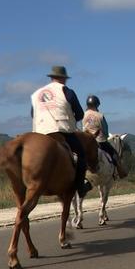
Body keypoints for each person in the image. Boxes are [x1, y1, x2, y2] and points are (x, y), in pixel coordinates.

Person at [31, 65, 91, 196]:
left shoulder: (37, 94)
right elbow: (80, 114)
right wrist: (71, 120)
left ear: (51, 77)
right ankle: (80, 187)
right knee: (81, 155)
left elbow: (32, 114)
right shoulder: (67, 91)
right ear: (64, 79)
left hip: (39, 132)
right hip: (61, 130)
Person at [82, 95, 128, 179]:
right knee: (114, 154)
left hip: (86, 141)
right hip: (99, 141)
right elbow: (105, 130)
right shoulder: (100, 115)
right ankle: (120, 172)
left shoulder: (83, 115)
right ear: (96, 105)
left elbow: (83, 128)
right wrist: (106, 137)